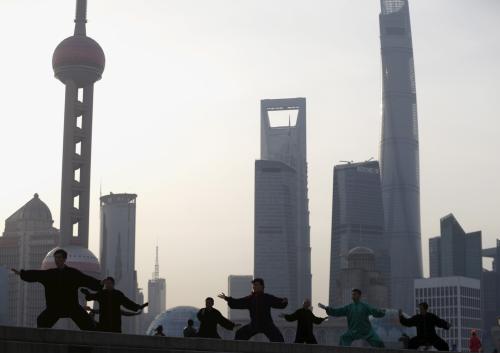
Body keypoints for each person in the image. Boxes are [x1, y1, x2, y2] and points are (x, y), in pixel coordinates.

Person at [11, 248, 101, 330]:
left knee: (88, 324)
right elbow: (37, 275)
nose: (57, 260)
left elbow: (86, 280)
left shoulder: (73, 274)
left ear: (64, 259)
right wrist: (22, 274)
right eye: (56, 258)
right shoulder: (50, 274)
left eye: (59, 257)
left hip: (71, 306)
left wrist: (99, 284)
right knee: (42, 321)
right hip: (54, 307)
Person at [218, 278, 288, 342]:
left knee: (278, 339)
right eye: (253, 285)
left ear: (262, 286)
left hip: (267, 324)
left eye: (256, 285)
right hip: (255, 324)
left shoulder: (267, 298)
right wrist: (227, 298)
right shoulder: (250, 299)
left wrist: (284, 301)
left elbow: (279, 302)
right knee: (240, 334)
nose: (254, 287)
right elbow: (238, 302)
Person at [318, 288, 386, 347]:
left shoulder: (365, 306)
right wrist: (327, 309)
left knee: (378, 342)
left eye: (354, 294)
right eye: (352, 294)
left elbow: (374, 311)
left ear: (359, 296)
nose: (353, 296)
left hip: (366, 330)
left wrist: (381, 312)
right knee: (344, 338)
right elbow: (338, 311)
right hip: (353, 330)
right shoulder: (349, 307)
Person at [81, 276, 148, 333]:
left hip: (115, 325)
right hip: (104, 325)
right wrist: (87, 293)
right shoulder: (102, 294)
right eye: (106, 283)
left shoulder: (118, 294)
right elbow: (91, 297)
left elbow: (127, 303)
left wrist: (138, 307)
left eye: (109, 283)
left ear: (113, 284)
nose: (107, 285)